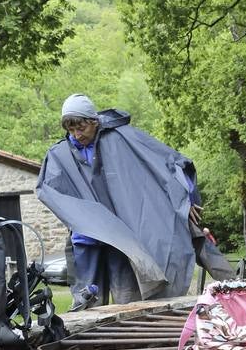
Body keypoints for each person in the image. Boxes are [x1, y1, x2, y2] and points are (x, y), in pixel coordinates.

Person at [36, 94, 202, 308]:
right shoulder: (59, 155)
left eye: (81, 128)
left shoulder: (121, 140)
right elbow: (51, 191)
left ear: (94, 122)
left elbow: (166, 162)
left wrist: (185, 200)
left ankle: (132, 340)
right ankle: (93, 343)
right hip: (86, 241)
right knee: (86, 303)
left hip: (120, 241)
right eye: (71, 129)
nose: (77, 135)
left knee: (127, 300)